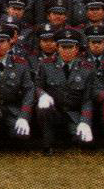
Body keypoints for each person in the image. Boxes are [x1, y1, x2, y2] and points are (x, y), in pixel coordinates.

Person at [35, 27, 96, 155]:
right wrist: (42, 95)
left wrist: (85, 121)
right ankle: (47, 144)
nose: (67, 51)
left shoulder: (87, 69)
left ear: (77, 49)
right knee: (42, 107)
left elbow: (87, 99)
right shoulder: (45, 65)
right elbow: (37, 87)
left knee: (83, 141)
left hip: (73, 113)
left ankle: (69, 134)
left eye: (70, 47)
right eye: (63, 47)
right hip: (53, 111)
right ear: (57, 48)